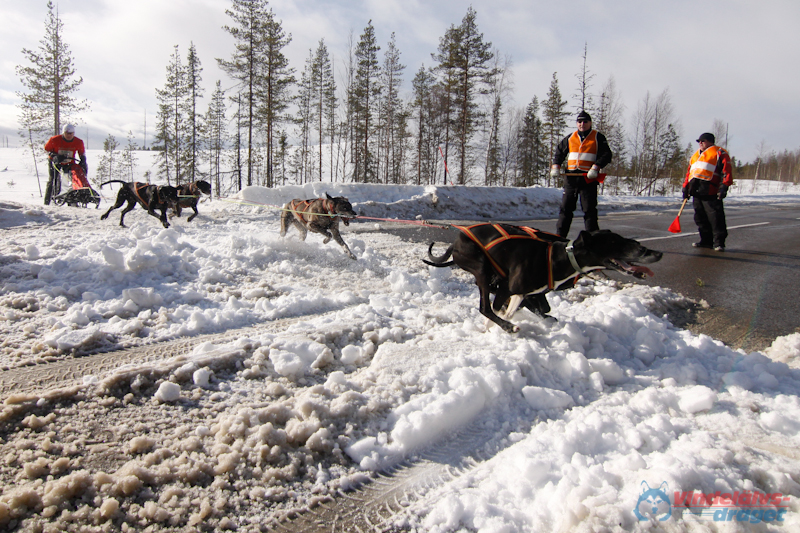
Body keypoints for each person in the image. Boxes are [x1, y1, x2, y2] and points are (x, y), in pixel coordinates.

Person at [551, 111, 613, 238]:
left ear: (590, 123)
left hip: (588, 179)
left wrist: (596, 167)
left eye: (585, 121)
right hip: (571, 179)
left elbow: (607, 154)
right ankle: (559, 238)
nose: (582, 124)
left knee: (589, 211)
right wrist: (556, 166)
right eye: (579, 121)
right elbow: (559, 152)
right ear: (576, 123)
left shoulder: (598, 137)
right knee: (565, 210)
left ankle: (593, 240)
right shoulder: (570, 137)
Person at [682, 132, 733, 252]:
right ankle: (706, 241)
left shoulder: (719, 152)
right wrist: (686, 187)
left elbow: (727, 171)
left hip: (711, 191)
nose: (700, 143)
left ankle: (719, 243)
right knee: (700, 218)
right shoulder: (695, 156)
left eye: (703, 141)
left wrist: (724, 187)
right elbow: (690, 173)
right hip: (697, 192)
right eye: (699, 141)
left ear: (710, 141)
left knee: (715, 218)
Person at [44, 123, 89, 204]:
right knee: (53, 180)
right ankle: (47, 202)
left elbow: (82, 154)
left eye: (71, 134)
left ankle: (72, 201)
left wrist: (83, 162)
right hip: (55, 162)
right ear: (63, 133)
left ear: (73, 133)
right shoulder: (54, 140)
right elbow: (47, 149)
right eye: (67, 133)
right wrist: (54, 156)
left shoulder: (78, 142)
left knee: (72, 180)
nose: (69, 135)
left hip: (69, 163)